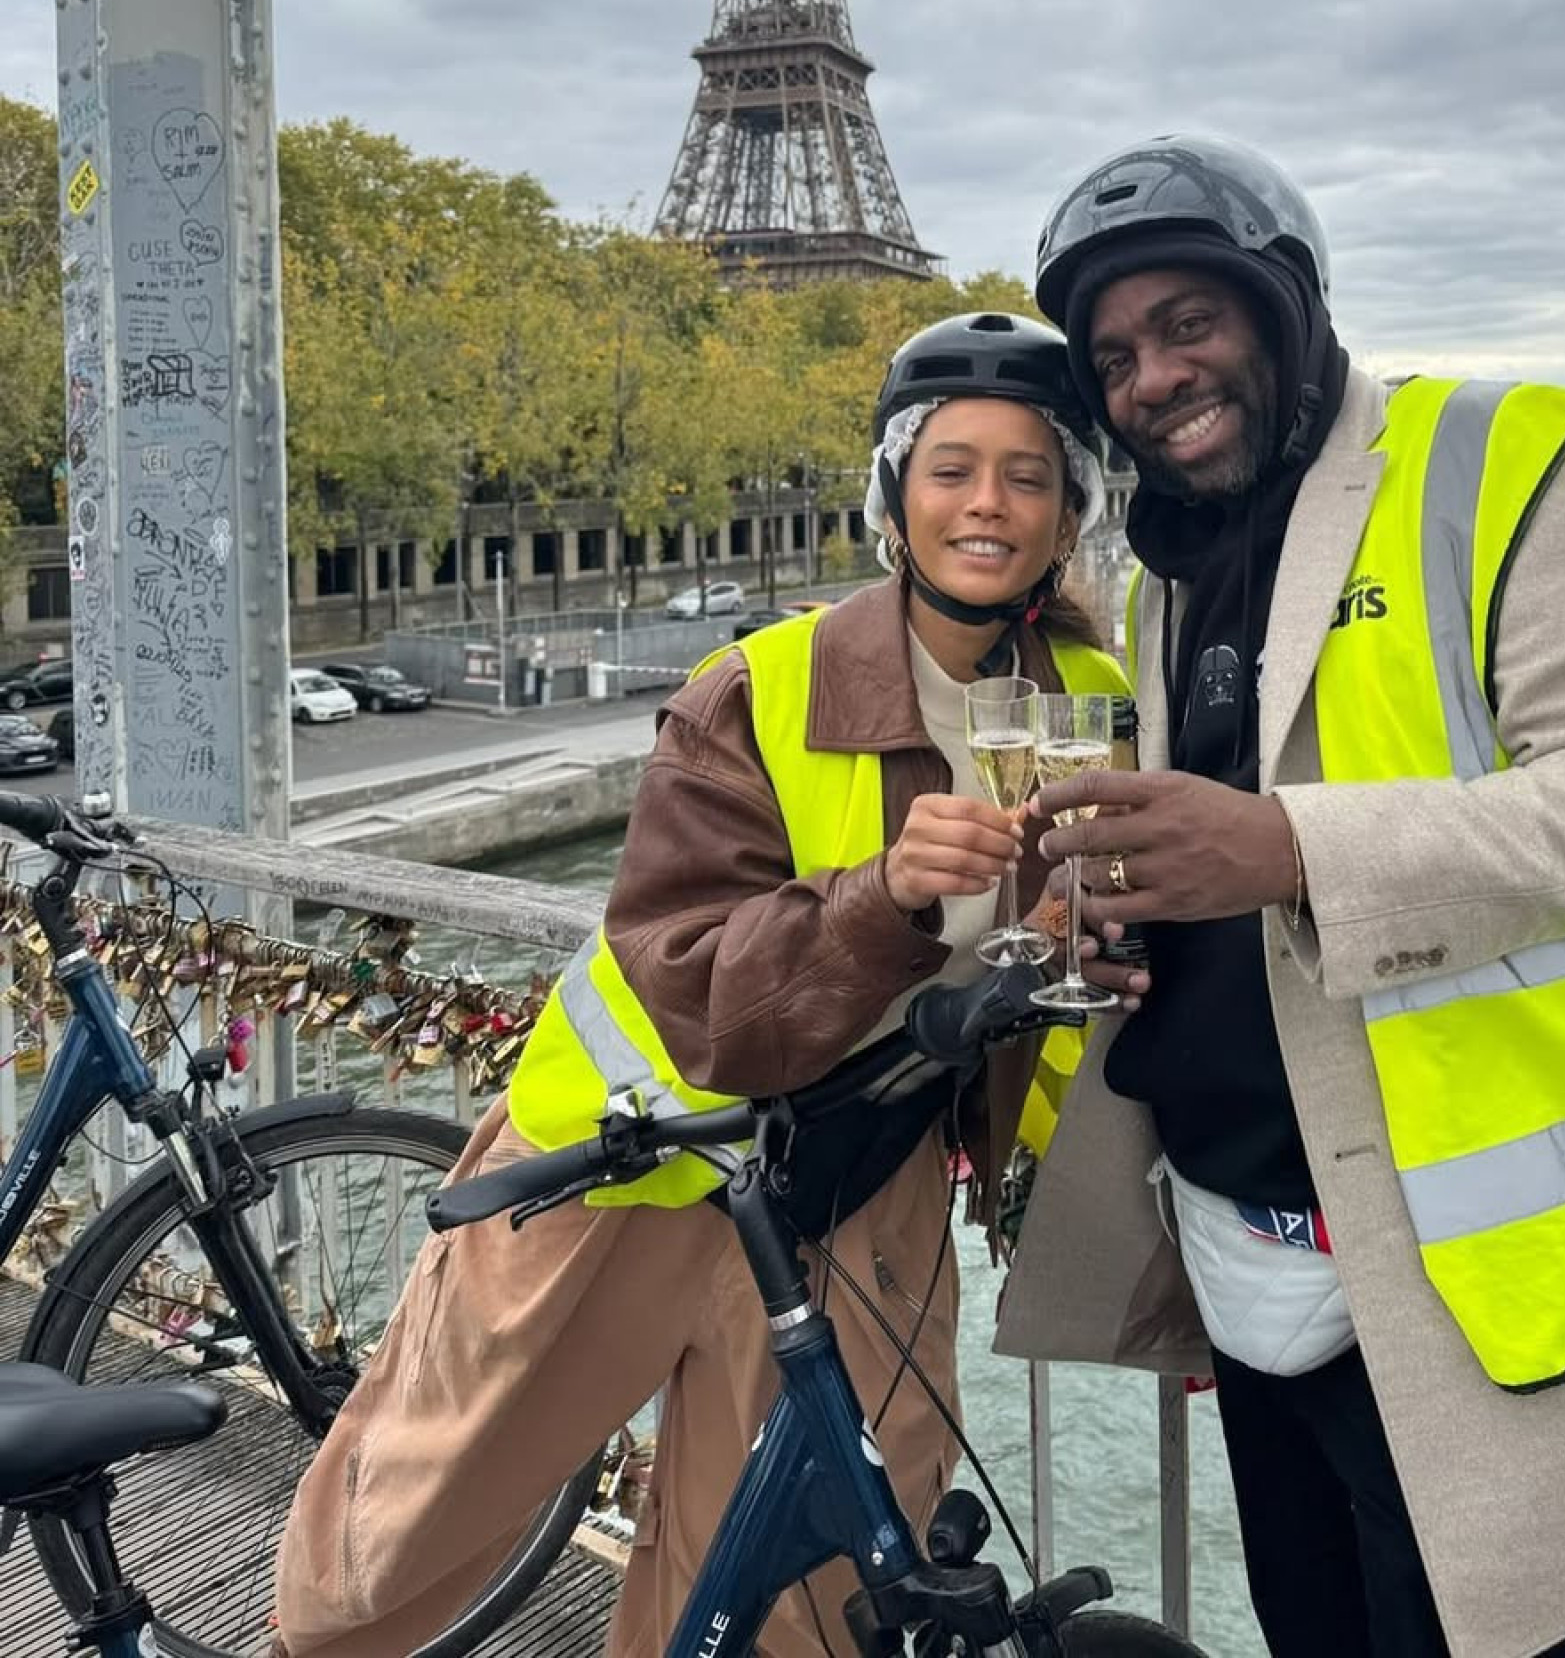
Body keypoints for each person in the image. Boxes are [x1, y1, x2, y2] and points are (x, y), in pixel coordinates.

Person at [994, 133, 1565, 1658]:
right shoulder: (1166, 574)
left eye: (1189, 323)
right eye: (1115, 354)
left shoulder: (1504, 456)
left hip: (1474, 1284)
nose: (1150, 377)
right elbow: (1227, 855)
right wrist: (1146, 925)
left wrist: (1291, 849)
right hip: (1251, 1254)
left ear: (1284, 305)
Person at [274, 310, 1128, 1658]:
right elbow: (680, 971)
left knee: (811, 1593)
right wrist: (886, 899)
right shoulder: (757, 687)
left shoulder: (1086, 697)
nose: (989, 503)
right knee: (405, 1537)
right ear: (893, 494)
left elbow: (1071, 945)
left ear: (1070, 510)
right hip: (632, 1165)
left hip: (861, 1180)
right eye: (952, 467)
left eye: (1030, 475)